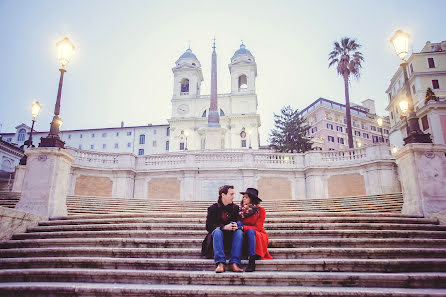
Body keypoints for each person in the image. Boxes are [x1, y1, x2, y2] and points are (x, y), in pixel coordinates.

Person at [201, 185, 244, 273]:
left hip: (230, 238)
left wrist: (236, 226)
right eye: (231, 194)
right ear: (223, 195)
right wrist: (223, 227)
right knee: (217, 231)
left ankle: (234, 263)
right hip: (217, 237)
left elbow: (239, 222)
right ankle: (220, 263)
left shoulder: (235, 208)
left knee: (239, 232)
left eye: (233, 194)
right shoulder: (213, 208)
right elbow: (208, 226)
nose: (233, 196)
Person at [238, 188, 273, 272]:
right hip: (244, 234)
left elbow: (258, 227)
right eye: (243, 197)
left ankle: (252, 261)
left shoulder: (260, 210)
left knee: (250, 231)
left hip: (258, 235)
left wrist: (243, 228)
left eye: (246, 197)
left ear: (251, 198)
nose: (243, 198)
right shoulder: (240, 210)